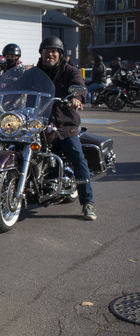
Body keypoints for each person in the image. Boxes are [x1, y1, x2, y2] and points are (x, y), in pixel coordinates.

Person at [36, 36, 96, 220]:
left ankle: (88, 203)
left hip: (65, 125)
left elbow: (79, 86)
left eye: (53, 51)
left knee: (77, 157)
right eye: (46, 51)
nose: (49, 54)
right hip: (39, 125)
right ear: (42, 54)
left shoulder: (70, 71)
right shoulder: (36, 73)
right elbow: (22, 88)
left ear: (60, 54)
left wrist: (77, 98)